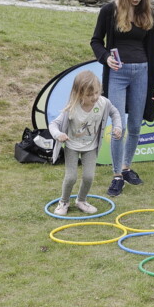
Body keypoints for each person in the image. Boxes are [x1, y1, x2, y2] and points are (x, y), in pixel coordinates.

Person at [90, 0, 154, 197]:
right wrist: (106, 57)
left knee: (135, 126)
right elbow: (95, 41)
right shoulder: (108, 11)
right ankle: (116, 176)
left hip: (141, 72)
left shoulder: (149, 13)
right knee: (118, 126)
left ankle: (126, 167)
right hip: (117, 74)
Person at [48, 71, 123, 215]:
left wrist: (118, 127)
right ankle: (63, 202)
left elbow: (115, 113)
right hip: (72, 146)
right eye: (89, 95)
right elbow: (53, 124)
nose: (94, 97)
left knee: (89, 176)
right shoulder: (72, 108)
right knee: (71, 177)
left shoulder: (103, 103)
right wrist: (59, 135)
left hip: (91, 147)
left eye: (96, 92)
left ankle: (81, 201)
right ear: (79, 93)